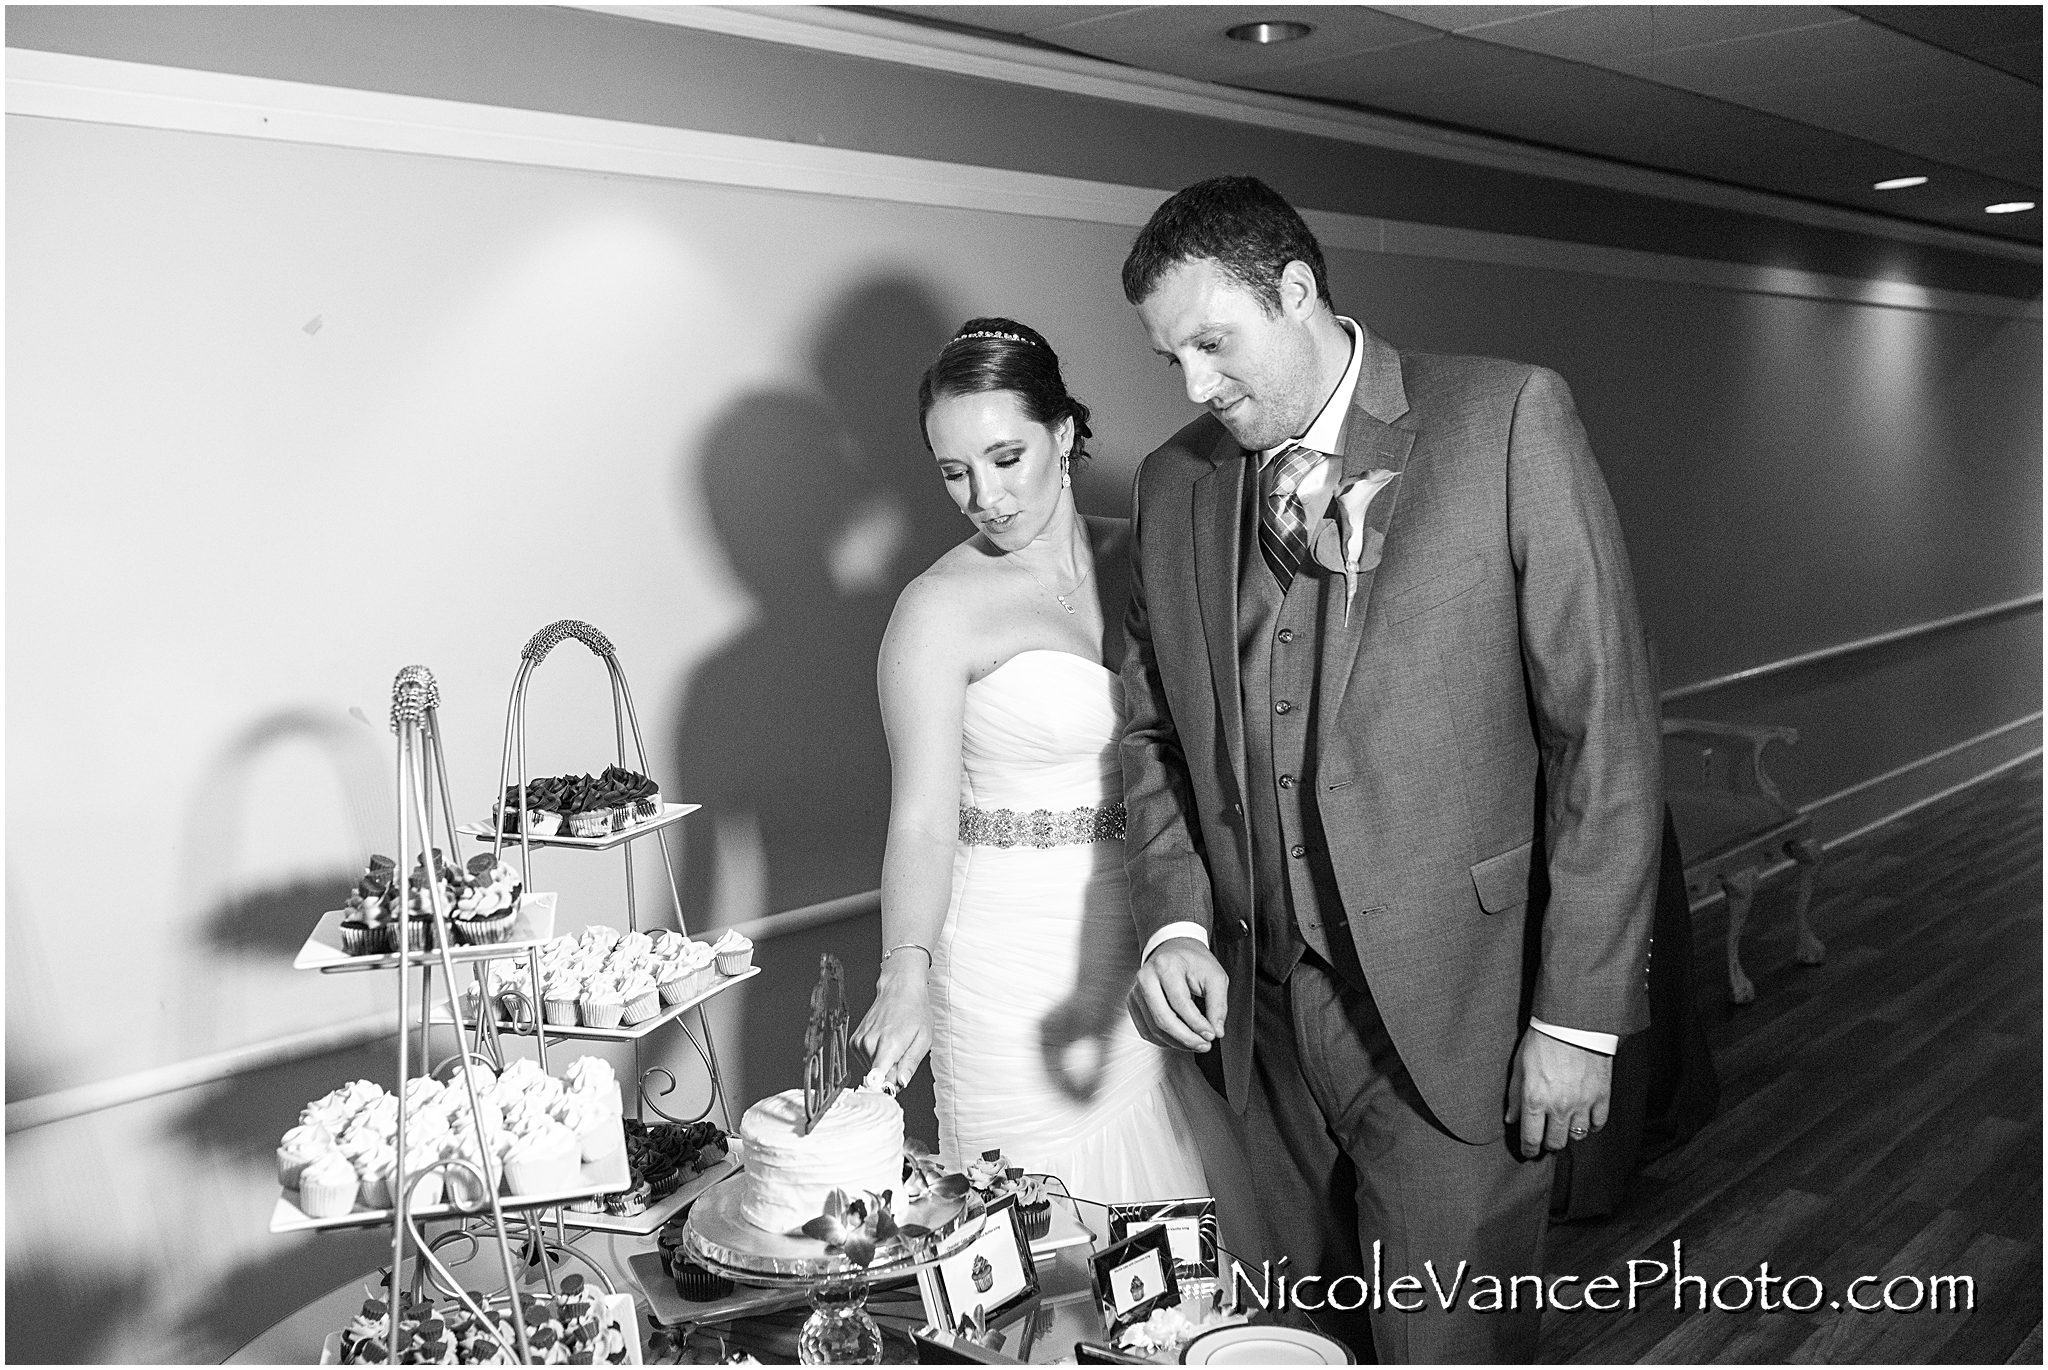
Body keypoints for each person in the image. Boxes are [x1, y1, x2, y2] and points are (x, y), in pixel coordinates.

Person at [1117, 177, 1662, 1362]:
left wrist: (1578, 1013)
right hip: (1260, 1029)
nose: (1195, 385)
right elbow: (1148, 732)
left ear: (1298, 290)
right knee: (1282, 1346)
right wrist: (1169, 926)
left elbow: (1601, 731)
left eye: (1213, 342)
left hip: (1457, 1013)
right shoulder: (1173, 486)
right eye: (1171, 358)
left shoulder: (1507, 418)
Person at [852, 317, 1217, 1205]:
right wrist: (907, 964)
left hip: (1156, 935)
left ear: (1063, 435)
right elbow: (924, 821)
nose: (985, 496)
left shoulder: (1153, 554)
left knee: (1173, 1215)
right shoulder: (936, 610)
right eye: (954, 472)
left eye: (1005, 457)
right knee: (1039, 1234)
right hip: (1007, 968)